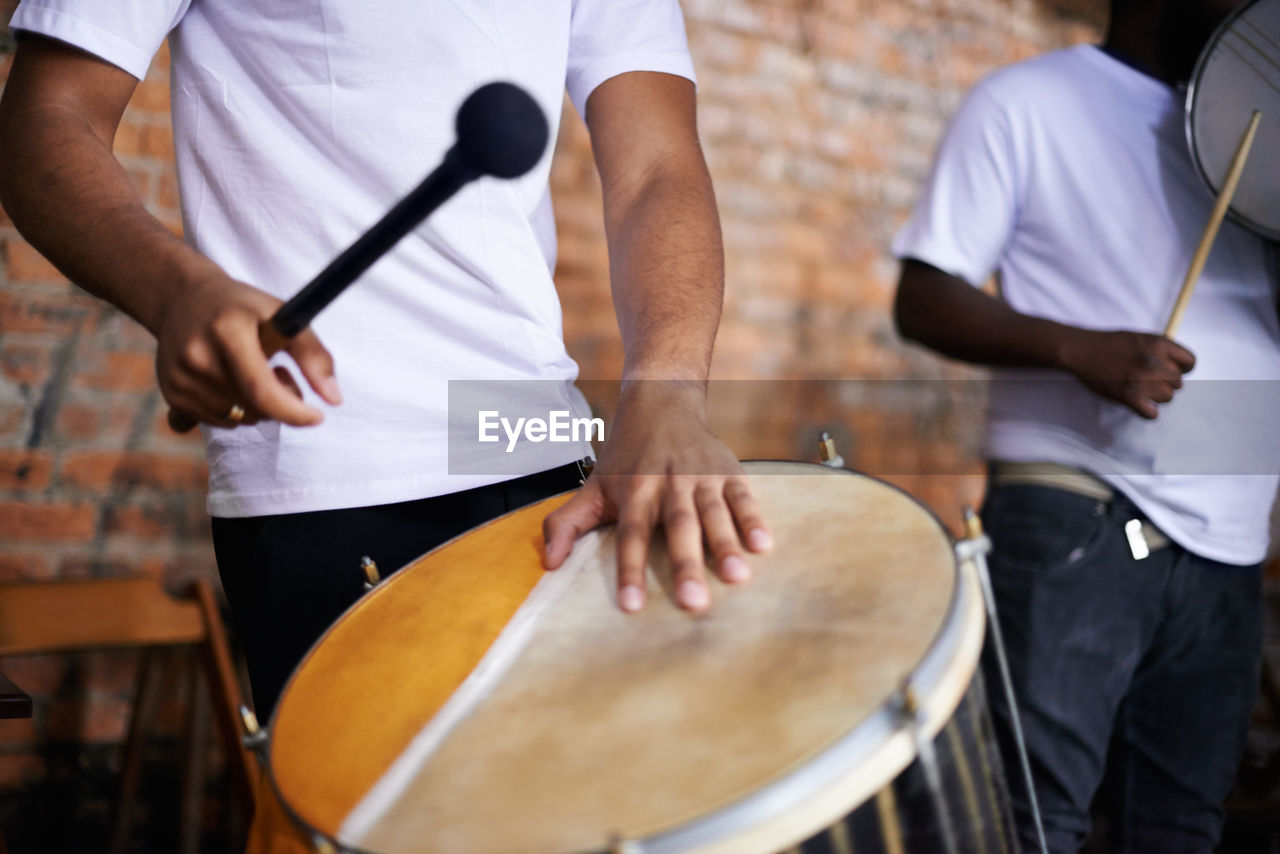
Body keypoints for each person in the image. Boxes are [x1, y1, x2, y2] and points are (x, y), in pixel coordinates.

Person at [0, 0, 772, 721]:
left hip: (540, 449)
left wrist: (667, 391)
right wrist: (176, 293)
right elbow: (47, 116)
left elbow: (656, 168)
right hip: (335, 473)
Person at [892, 0, 1279, 850]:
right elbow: (923, 293)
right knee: (1032, 820)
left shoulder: (1259, 132)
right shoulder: (1025, 102)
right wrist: (1078, 348)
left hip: (1232, 545)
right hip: (1085, 516)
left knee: (1180, 829)